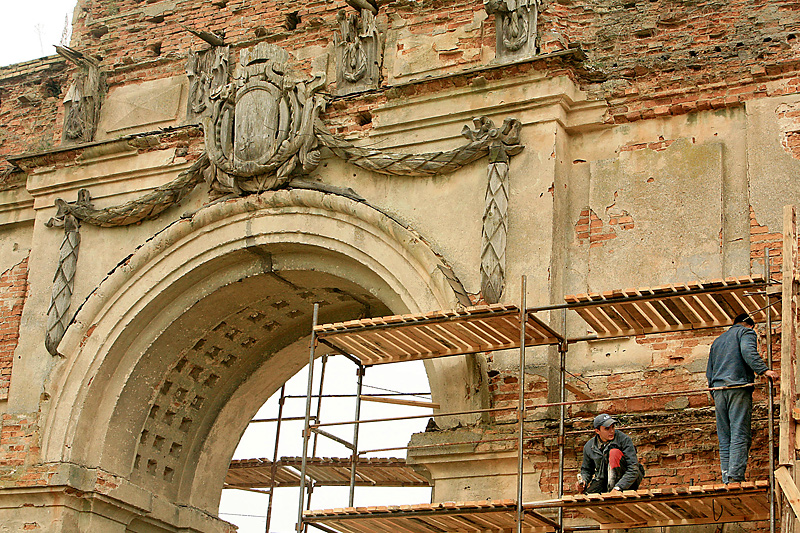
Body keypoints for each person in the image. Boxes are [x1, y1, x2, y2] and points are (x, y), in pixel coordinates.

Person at [707, 313, 779, 483]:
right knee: (739, 432)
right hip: (737, 387)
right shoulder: (746, 333)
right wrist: (764, 370)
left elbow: (709, 371)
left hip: (718, 389)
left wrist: (715, 392)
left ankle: (726, 476)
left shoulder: (718, 341)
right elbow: (748, 352)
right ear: (750, 325)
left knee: (725, 436)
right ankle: (735, 476)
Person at [576, 413, 644, 493]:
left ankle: (614, 489)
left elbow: (633, 468)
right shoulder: (589, 446)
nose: (611, 431)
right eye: (607, 429)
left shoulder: (624, 440)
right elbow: (587, 470)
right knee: (587, 499)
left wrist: (619, 487)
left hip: (626, 482)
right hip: (603, 480)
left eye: (613, 427)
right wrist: (583, 481)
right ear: (597, 431)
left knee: (614, 453)